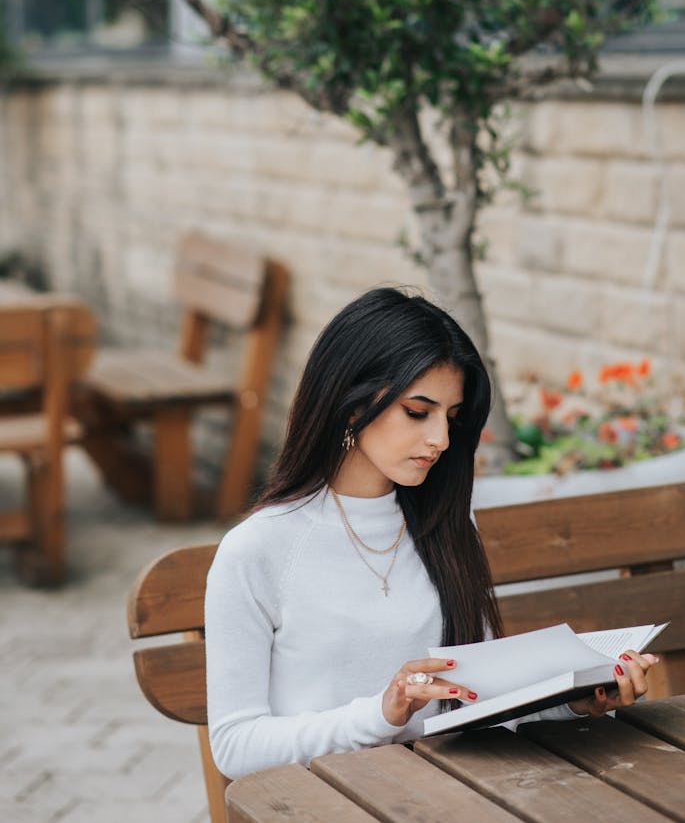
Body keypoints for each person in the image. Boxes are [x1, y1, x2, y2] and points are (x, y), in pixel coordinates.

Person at [205, 286, 656, 779]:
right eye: (418, 412)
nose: (440, 439)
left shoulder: (445, 523)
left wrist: (576, 702)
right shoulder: (259, 549)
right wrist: (380, 714)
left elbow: (476, 706)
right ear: (352, 405)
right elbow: (236, 745)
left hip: (447, 797)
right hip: (324, 804)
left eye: (452, 418)